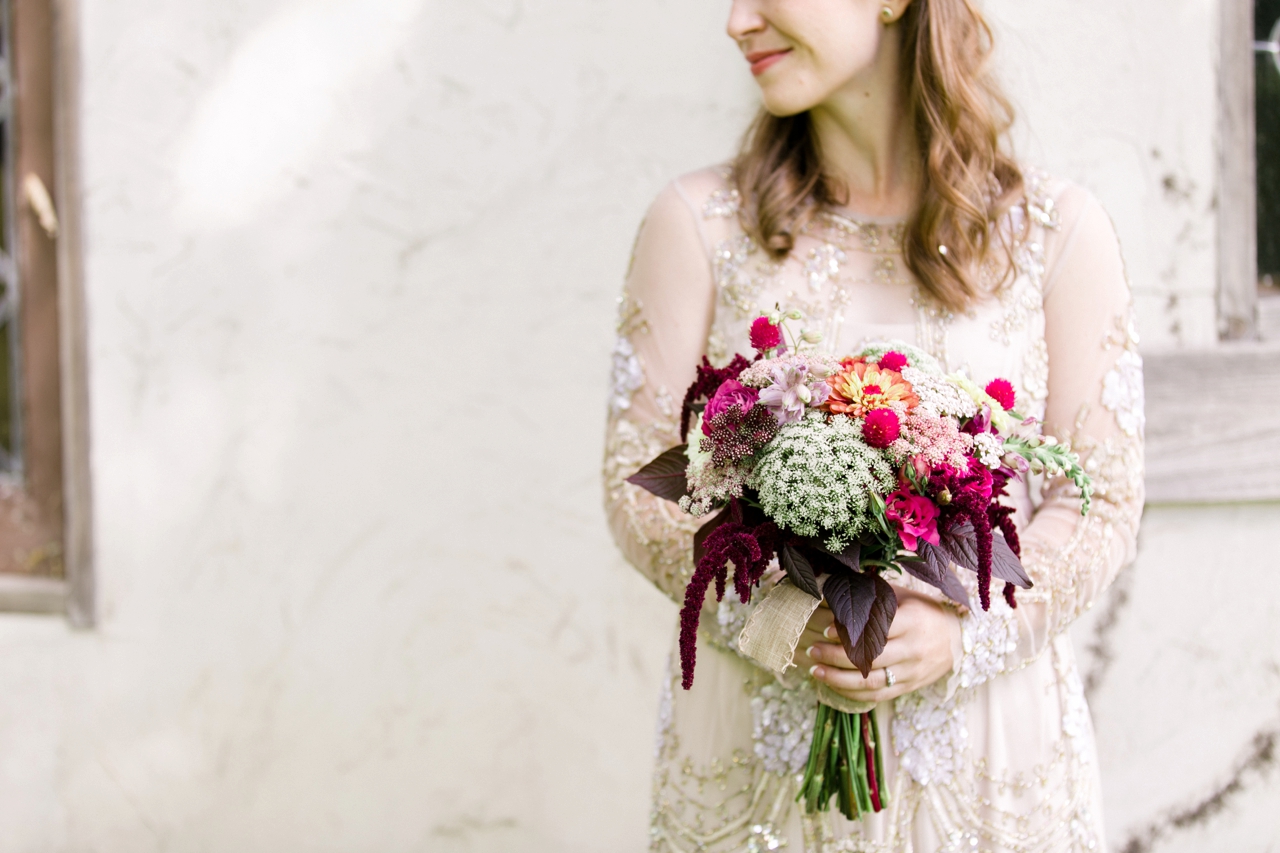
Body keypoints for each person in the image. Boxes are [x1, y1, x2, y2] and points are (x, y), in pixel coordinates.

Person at [603, 0, 1144, 849]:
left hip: (987, 767)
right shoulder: (700, 225)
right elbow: (638, 479)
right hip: (759, 771)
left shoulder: (1054, 233)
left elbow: (1100, 498)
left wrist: (970, 631)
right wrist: (777, 619)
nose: (738, 21)